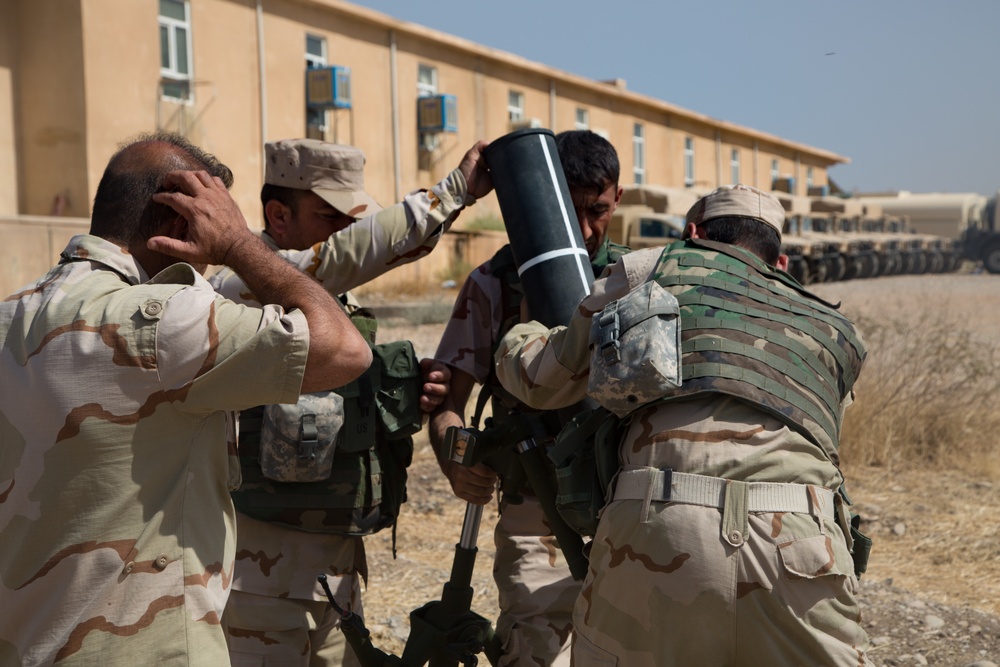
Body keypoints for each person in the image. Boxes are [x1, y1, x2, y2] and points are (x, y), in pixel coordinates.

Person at [0, 132, 372, 666]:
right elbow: (344, 350)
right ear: (182, 225)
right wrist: (241, 244)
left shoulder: (10, 316)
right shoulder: (165, 323)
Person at [494, 184, 873, 666]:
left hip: (658, 524)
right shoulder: (834, 327)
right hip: (800, 538)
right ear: (780, 262)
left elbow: (543, 379)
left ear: (692, 233)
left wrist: (522, 334)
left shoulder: (648, 268)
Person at [217, 138, 492, 666]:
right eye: (330, 217)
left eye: (354, 220)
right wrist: (453, 192)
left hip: (335, 575)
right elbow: (346, 257)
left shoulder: (335, 303)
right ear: (278, 215)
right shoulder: (241, 285)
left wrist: (414, 386)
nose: (346, 235)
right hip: (257, 581)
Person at [429, 130, 627, 666]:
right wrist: (455, 455)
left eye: (599, 210)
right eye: (573, 210)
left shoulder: (638, 278)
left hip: (628, 506)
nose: (586, 230)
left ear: (618, 199)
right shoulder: (494, 282)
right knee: (535, 651)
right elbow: (447, 397)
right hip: (534, 507)